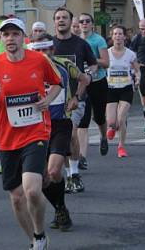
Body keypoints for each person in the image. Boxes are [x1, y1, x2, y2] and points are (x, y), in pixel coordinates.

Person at [0, 18, 61, 250]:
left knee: (32, 189)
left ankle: (41, 234)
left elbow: (57, 83)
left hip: (36, 131)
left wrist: (47, 100)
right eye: (6, 35)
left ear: (24, 37)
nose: (10, 39)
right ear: (1, 39)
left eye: (15, 34)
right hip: (7, 137)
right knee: (16, 197)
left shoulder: (39, 60)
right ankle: (33, 239)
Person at [29, 33, 90, 232]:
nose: (43, 54)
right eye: (38, 50)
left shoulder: (63, 64)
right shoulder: (25, 68)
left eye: (47, 49)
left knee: (54, 171)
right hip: (35, 126)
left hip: (60, 124)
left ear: (53, 50)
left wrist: (76, 98)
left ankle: (63, 199)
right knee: (44, 177)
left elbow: (85, 79)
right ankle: (60, 208)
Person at [51, 8, 97, 193]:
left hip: (76, 97)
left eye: (64, 18)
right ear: (54, 22)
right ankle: (65, 174)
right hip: (53, 99)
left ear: (71, 22)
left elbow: (93, 64)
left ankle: (74, 173)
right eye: (57, 18)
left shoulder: (80, 44)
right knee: (58, 138)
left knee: (71, 134)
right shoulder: (49, 44)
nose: (61, 20)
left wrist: (89, 75)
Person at [76, 13, 110, 167]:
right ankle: (82, 156)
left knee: (99, 117)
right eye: (81, 22)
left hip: (98, 82)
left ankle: (103, 137)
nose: (84, 24)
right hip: (82, 83)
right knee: (83, 121)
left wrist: (90, 58)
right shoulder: (75, 41)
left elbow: (106, 62)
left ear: (92, 24)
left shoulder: (98, 40)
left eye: (87, 21)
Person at [105, 26, 139, 158]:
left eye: (120, 34)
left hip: (126, 88)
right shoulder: (106, 53)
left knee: (121, 118)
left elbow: (137, 70)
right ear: (112, 36)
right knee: (111, 121)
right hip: (111, 88)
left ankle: (121, 146)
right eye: (115, 34)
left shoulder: (130, 54)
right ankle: (112, 127)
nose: (118, 36)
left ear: (124, 37)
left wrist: (138, 78)